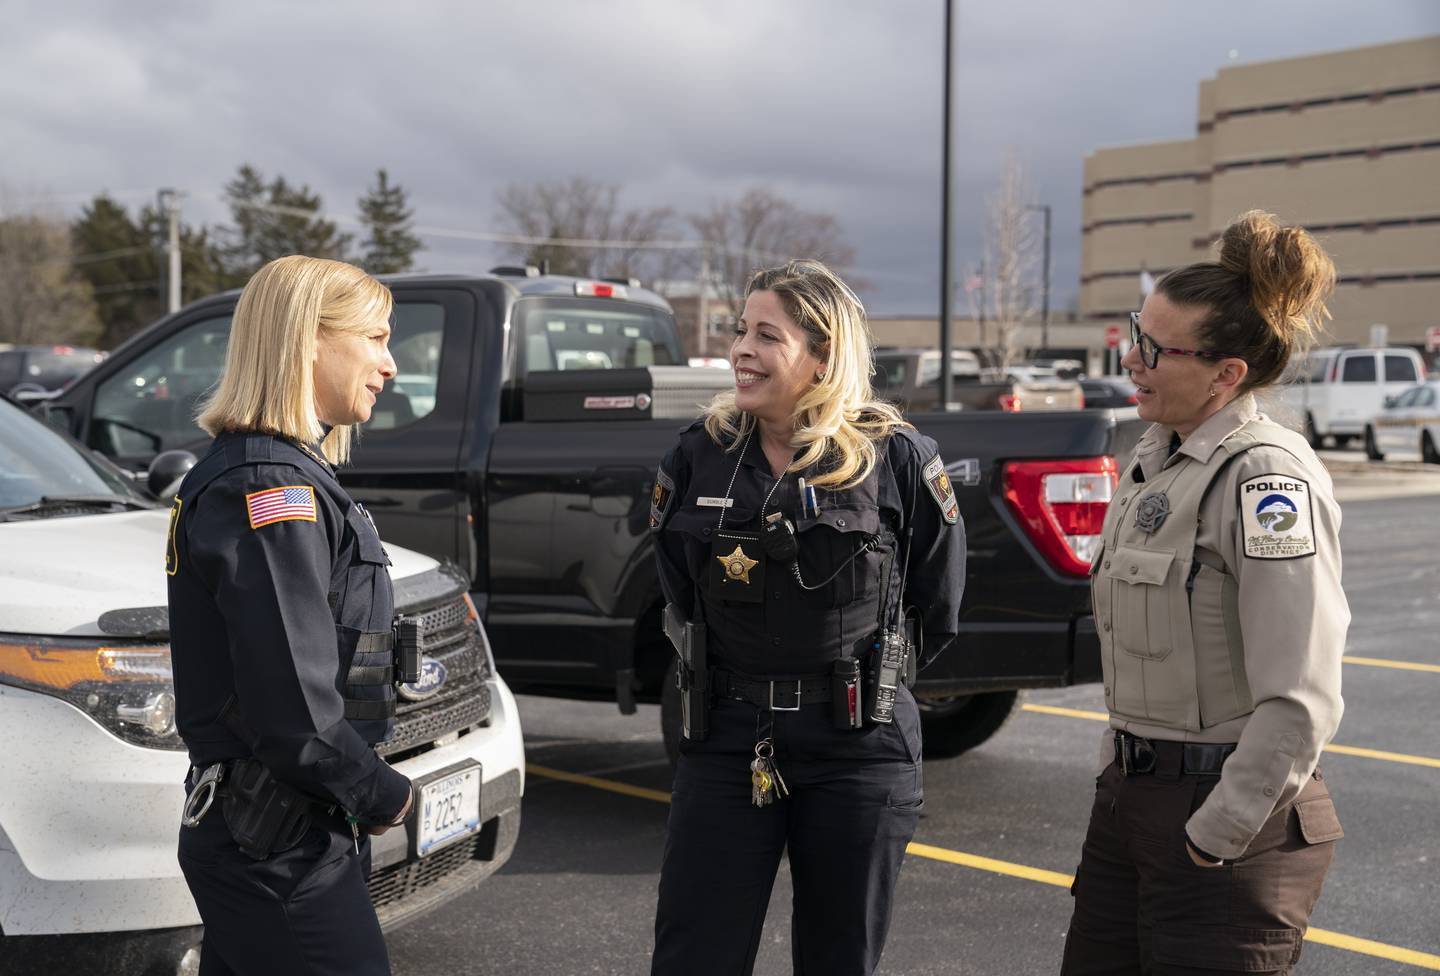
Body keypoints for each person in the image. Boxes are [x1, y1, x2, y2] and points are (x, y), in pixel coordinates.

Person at [649, 260, 966, 975]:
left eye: (768, 336)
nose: (741, 350)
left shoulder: (897, 459)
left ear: (824, 357)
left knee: (838, 959)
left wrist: (864, 682)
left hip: (856, 747)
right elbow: (677, 587)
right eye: (739, 332)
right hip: (728, 741)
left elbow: (936, 603)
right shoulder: (698, 456)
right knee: (693, 956)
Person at [1060, 211, 1349, 976]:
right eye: (1135, 331)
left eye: (1157, 348)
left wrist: (1213, 834)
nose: (1132, 357)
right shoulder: (1156, 457)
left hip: (1223, 827)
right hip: (1133, 805)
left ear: (1227, 375)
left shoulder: (1264, 479)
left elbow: (1302, 696)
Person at [167, 255, 413, 975]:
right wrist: (381, 793)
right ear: (308, 336)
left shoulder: (282, 472)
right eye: (374, 337)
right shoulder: (267, 484)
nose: (389, 364)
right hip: (276, 843)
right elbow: (295, 709)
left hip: (282, 830)